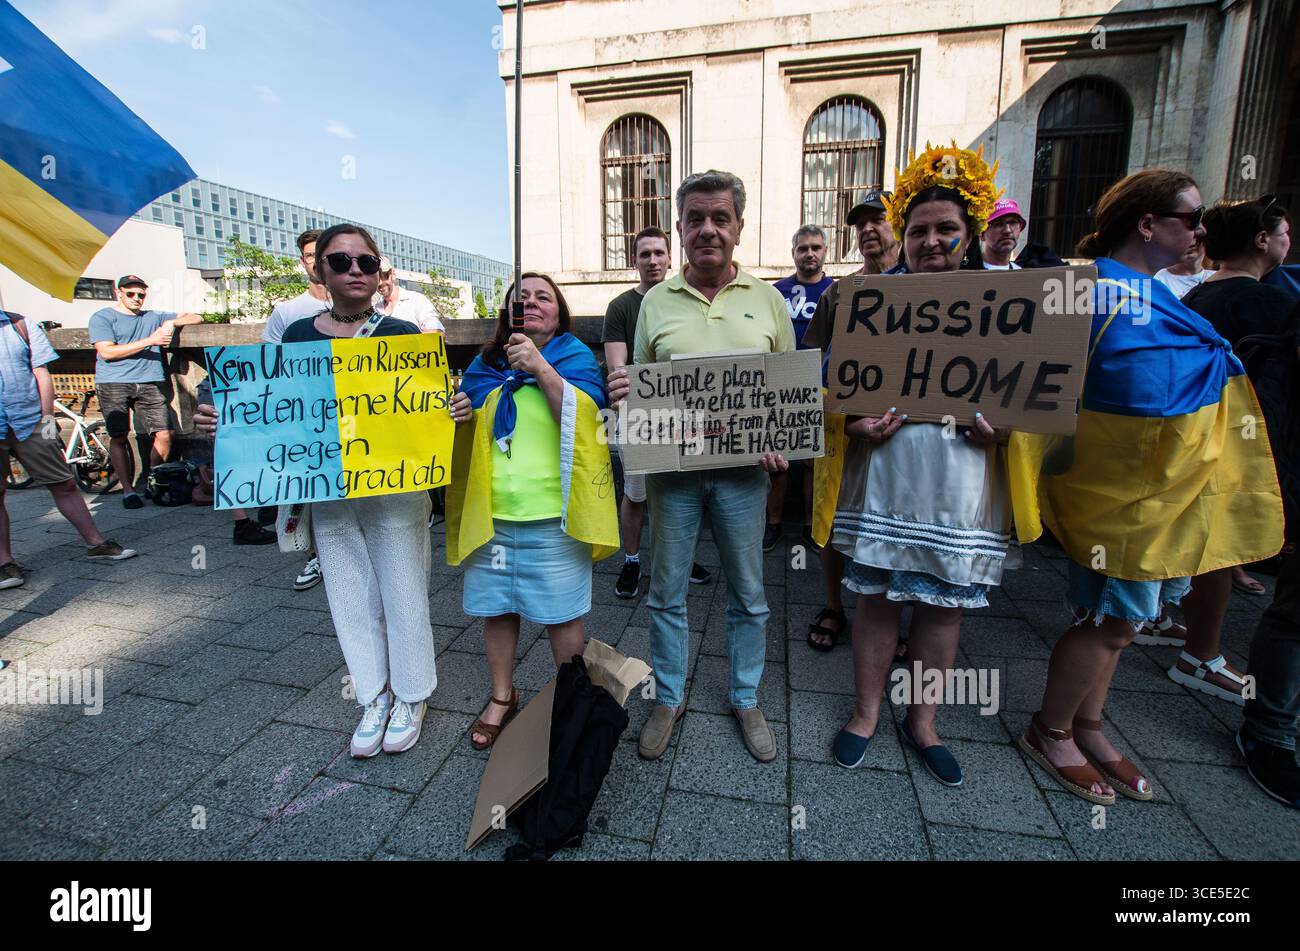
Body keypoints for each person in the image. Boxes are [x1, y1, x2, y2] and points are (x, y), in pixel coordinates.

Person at [1015, 170, 1283, 805]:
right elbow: (1050, 385)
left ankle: (1088, 726)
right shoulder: (1095, 293)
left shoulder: (1151, 293)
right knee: (1113, 623)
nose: (1201, 232)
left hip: (1157, 491)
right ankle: (1049, 730)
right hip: (1123, 493)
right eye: (1191, 219)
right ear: (1147, 225)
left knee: (1121, 623)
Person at [196, 224, 438, 758]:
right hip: (327, 487)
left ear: (379, 272)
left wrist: (453, 410)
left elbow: (429, 408)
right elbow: (267, 407)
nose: (355, 271)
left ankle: (413, 694)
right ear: (319, 270)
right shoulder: (298, 336)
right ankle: (374, 693)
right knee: (348, 590)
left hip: (392, 488)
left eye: (365, 262)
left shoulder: (402, 335)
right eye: (341, 261)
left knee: (402, 587)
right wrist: (228, 421)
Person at [827, 145, 1006, 788]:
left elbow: (1030, 395)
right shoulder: (870, 304)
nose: (931, 241)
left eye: (945, 230)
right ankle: (866, 711)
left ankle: (924, 720)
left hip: (962, 477)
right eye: (920, 230)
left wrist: (1004, 429)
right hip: (890, 469)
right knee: (875, 598)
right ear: (904, 238)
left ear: (970, 236)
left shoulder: (1006, 306)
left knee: (943, 609)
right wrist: (856, 425)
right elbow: (838, 393)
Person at [608, 169, 794, 764]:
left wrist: (780, 439)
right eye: (696, 219)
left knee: (750, 594)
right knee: (665, 593)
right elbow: (637, 387)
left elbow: (789, 392)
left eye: (720, 218)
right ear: (683, 228)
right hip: (674, 479)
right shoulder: (654, 302)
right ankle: (668, 697)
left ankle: (745, 697)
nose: (708, 229)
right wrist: (623, 394)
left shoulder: (768, 301)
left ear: (739, 227)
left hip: (745, 478)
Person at [447, 273, 618, 750]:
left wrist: (540, 367)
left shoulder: (575, 357)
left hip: (553, 516)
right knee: (497, 609)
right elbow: (465, 432)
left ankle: (570, 701)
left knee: (561, 615)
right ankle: (503, 696)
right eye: (521, 298)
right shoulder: (485, 364)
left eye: (544, 297)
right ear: (508, 314)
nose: (532, 303)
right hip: (495, 514)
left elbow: (587, 415)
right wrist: (460, 413)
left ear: (559, 312)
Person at [1162, 196, 1300, 707]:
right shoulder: (1270, 304)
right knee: (1222, 545)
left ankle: (1159, 617)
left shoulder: (1196, 295)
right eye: (1283, 232)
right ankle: (1202, 654)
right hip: (1240, 441)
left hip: (1191, 435)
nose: (1288, 241)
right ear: (1262, 240)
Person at [802, 189, 899, 653]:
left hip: (907, 437)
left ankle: (894, 616)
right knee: (834, 519)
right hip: (846, 434)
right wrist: (837, 417)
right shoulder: (839, 293)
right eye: (860, 224)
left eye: (877, 219)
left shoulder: (934, 290)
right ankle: (833, 606)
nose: (867, 230)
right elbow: (810, 363)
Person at [601, 226, 710, 599]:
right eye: (644, 254)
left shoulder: (686, 300)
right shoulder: (621, 307)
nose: (652, 260)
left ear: (669, 257)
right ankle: (632, 560)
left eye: (658, 253)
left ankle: (679, 557)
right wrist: (623, 392)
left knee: (684, 490)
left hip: (685, 416)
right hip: (639, 416)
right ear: (635, 261)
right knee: (636, 493)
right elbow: (619, 366)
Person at [0, 307, 137, 588]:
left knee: (64, 483)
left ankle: (96, 543)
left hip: (30, 420)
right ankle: (5, 563)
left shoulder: (20, 324)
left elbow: (41, 372)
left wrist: (48, 420)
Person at [88, 276, 202, 509]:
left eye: (141, 294)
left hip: (149, 380)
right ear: (118, 292)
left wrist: (173, 323)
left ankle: (152, 479)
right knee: (119, 436)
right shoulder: (103, 317)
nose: (136, 299)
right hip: (114, 381)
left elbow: (197, 316)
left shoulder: (152, 317)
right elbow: (107, 352)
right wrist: (149, 340)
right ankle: (128, 490)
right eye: (131, 294)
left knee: (164, 433)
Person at [262, 230, 331, 591]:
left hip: (352, 418)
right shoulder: (287, 313)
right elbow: (266, 372)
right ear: (304, 262)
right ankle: (316, 556)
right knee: (313, 494)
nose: (318, 260)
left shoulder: (374, 313)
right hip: (304, 420)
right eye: (311, 255)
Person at [768, 225, 833, 552]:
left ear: (825, 251)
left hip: (819, 387)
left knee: (811, 461)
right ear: (793, 253)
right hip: (781, 386)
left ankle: (810, 526)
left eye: (816, 247)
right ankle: (773, 524)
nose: (810, 253)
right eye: (803, 248)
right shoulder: (775, 292)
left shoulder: (836, 291)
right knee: (779, 460)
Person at [375, 260, 446, 334]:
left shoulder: (417, 300)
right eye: (375, 278)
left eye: (384, 276)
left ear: (393, 274)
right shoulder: (374, 309)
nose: (380, 282)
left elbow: (437, 332)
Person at [981, 199, 1025, 269]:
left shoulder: (1022, 275)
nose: (1007, 230)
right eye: (998, 224)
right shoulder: (964, 273)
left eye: (1013, 223)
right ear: (982, 234)